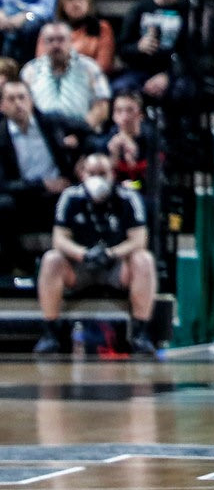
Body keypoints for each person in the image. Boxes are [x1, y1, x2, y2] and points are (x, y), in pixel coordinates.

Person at [31, 153, 158, 356]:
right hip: (80, 266)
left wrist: (111, 253)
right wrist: (83, 254)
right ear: (83, 174)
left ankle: (140, 334)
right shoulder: (71, 196)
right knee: (51, 259)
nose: (97, 178)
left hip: (115, 267)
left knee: (144, 259)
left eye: (102, 173)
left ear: (112, 174)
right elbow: (59, 239)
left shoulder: (128, 197)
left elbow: (139, 239)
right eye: (92, 173)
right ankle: (50, 334)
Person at [0, 80, 86, 274]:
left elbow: (90, 133)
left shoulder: (51, 122)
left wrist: (81, 155)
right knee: (3, 204)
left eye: (22, 97)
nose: (18, 104)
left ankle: (80, 265)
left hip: (61, 190)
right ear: (2, 106)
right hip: (24, 195)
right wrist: (43, 185)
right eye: (11, 99)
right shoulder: (2, 135)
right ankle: (17, 268)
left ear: (31, 101)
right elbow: (3, 183)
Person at [113, 0, 193, 100]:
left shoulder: (188, 10)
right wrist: (138, 47)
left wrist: (168, 76)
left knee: (185, 91)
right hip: (140, 70)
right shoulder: (139, 8)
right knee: (119, 87)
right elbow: (122, 47)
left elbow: (192, 52)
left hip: (174, 72)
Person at [20, 22, 111, 130]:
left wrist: (82, 131)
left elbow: (102, 107)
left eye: (61, 39)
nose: (55, 45)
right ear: (43, 43)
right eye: (50, 40)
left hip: (82, 131)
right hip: (42, 133)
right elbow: (22, 105)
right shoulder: (30, 70)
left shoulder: (90, 67)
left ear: (71, 41)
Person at [35, 0, 115, 75]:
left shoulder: (102, 28)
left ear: (88, 3)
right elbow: (41, 63)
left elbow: (104, 65)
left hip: (91, 79)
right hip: (54, 78)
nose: (76, 4)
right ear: (62, 4)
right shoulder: (49, 30)